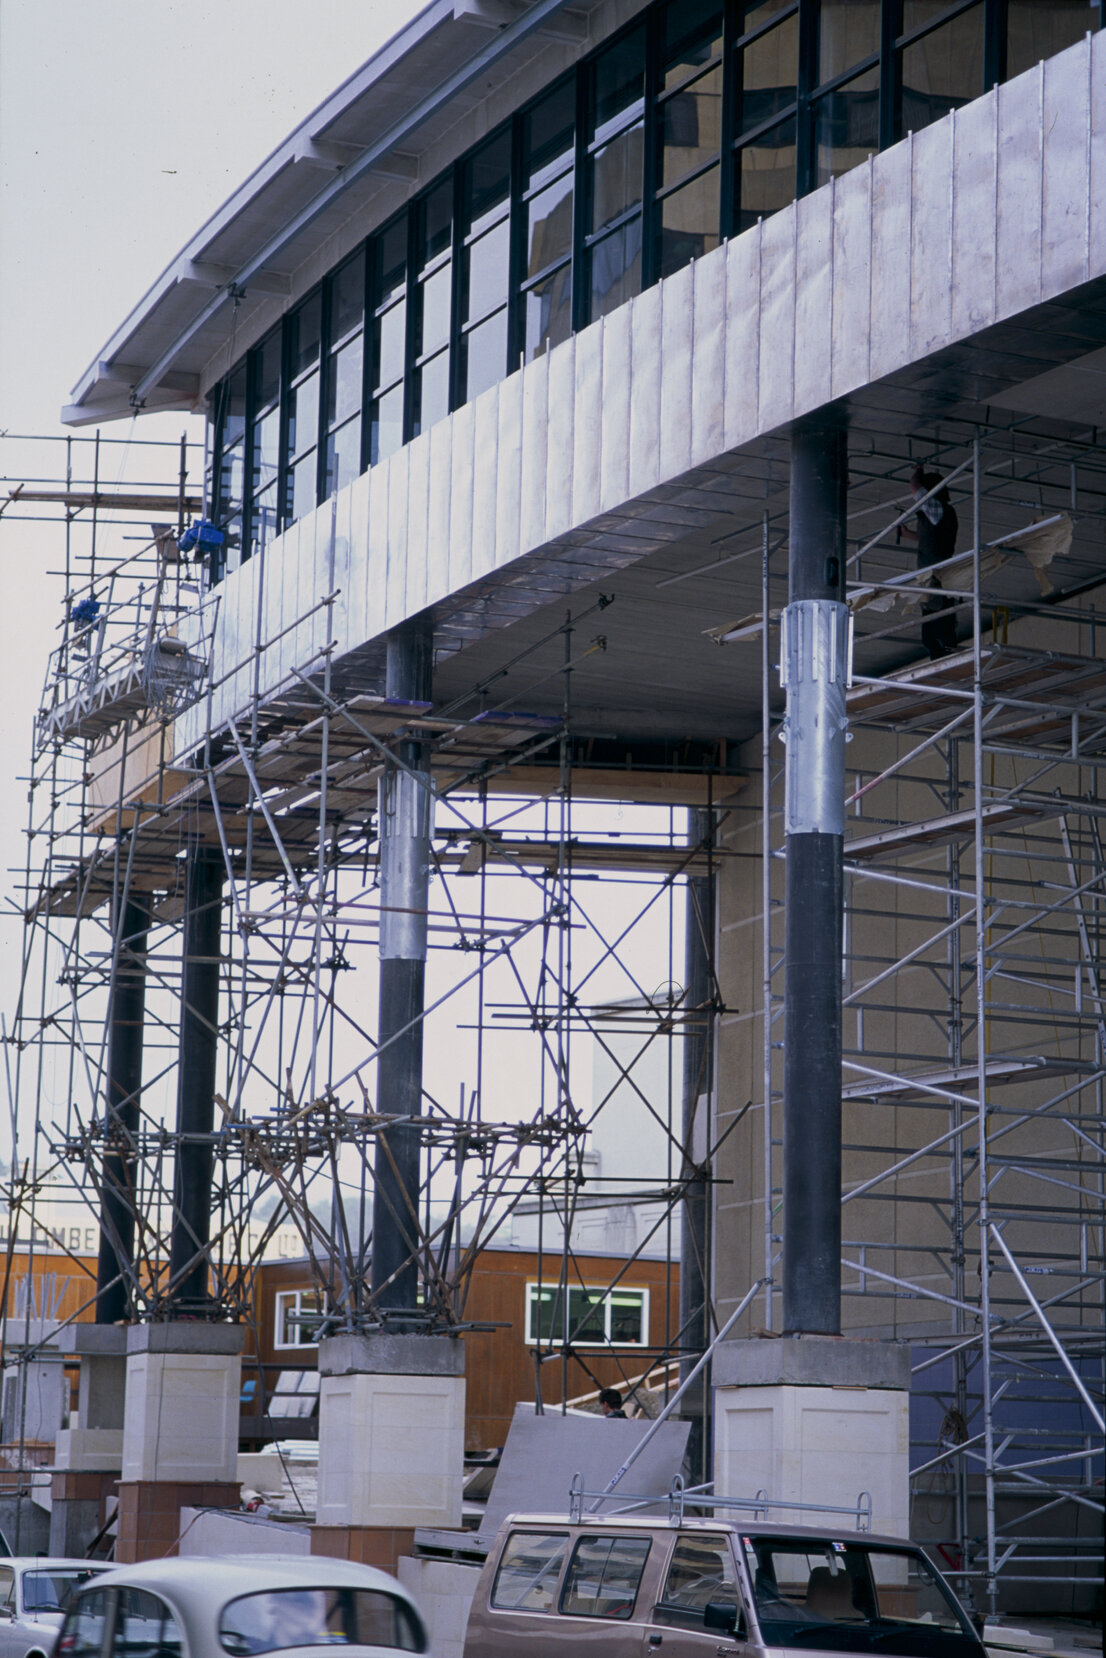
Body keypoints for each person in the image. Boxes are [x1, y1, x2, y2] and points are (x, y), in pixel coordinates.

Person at [899, 464, 959, 660]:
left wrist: (918, 469)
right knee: (933, 637)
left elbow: (915, 487)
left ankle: (944, 660)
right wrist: (909, 535)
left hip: (937, 581)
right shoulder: (938, 515)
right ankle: (943, 658)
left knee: (937, 635)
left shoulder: (937, 509)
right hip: (932, 582)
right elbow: (932, 539)